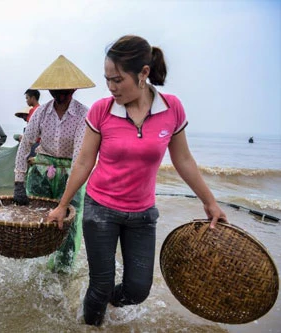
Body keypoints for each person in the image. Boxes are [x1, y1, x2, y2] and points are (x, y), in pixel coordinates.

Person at [46, 35, 228, 326]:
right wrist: (62, 204)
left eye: (117, 80)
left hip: (143, 214)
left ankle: (99, 303)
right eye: (107, 79)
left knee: (138, 290)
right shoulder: (102, 110)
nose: (111, 87)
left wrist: (210, 202)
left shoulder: (172, 108)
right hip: (100, 209)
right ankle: (90, 324)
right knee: (101, 284)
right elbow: (83, 162)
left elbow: (183, 160)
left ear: (144, 73)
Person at [13, 55, 95, 272]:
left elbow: (79, 157)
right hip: (41, 171)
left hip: (72, 173)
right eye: (55, 91)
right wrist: (19, 180)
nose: (60, 95)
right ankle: (34, 266)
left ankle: (62, 270)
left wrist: (64, 201)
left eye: (65, 91)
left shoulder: (83, 115)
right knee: (37, 218)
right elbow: (25, 144)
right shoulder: (41, 112)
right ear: (49, 91)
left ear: (74, 90)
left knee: (68, 222)